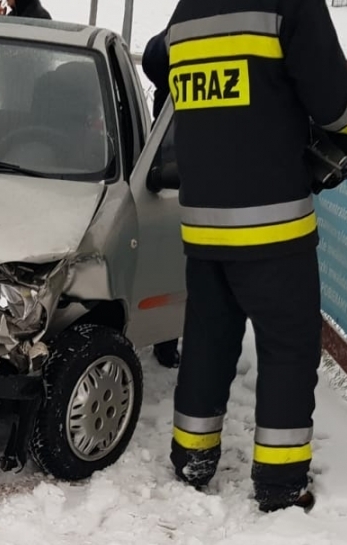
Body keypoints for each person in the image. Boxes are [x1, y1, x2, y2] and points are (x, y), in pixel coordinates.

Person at [143, 0, 347, 511]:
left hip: (203, 223)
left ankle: (192, 457)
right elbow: (336, 108)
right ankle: (279, 482)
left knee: (208, 339)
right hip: (273, 227)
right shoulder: (291, 4)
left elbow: (153, 60)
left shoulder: (188, 11)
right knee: (289, 348)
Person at [141, 31, 181, 370]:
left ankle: (171, 337)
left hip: (205, 153)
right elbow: (154, 58)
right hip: (170, 153)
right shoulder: (182, 27)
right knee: (169, 248)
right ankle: (166, 339)